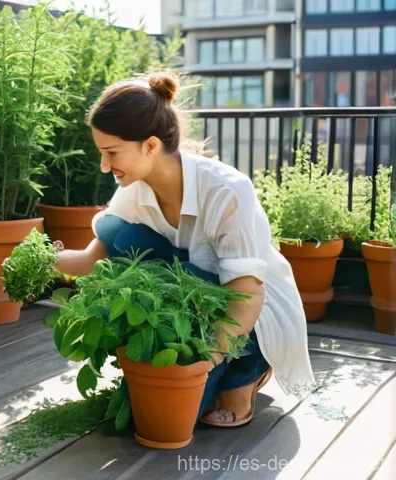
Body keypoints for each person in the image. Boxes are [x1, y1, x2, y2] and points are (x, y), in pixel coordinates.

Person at [53, 73, 315, 427]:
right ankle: (217, 373)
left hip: (251, 307)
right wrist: (43, 261)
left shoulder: (226, 190)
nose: (104, 165)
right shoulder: (134, 188)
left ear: (150, 146)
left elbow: (246, 292)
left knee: (177, 412)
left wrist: (204, 360)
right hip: (190, 299)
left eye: (111, 152)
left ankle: (248, 368)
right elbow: (92, 257)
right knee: (119, 233)